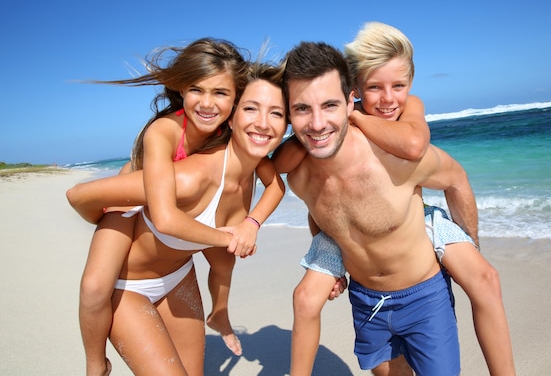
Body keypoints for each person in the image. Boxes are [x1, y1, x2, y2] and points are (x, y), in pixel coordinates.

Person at [275, 23, 515, 376]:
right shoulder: (299, 168)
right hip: (367, 295)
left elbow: (448, 171)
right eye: (302, 110)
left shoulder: (400, 152)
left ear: (347, 100)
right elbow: (322, 209)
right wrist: (331, 259)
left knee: (484, 279)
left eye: (330, 105)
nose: (388, 99)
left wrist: (469, 245)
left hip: (420, 252)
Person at [66, 63, 288, 376]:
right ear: (234, 114)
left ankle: (219, 315)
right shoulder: (186, 177)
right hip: (127, 287)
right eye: (251, 109)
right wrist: (113, 217)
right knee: (94, 286)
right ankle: (97, 365)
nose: (263, 123)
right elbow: (80, 195)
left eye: (277, 113)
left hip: (179, 278)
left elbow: (277, 186)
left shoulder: (256, 167)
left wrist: (250, 225)